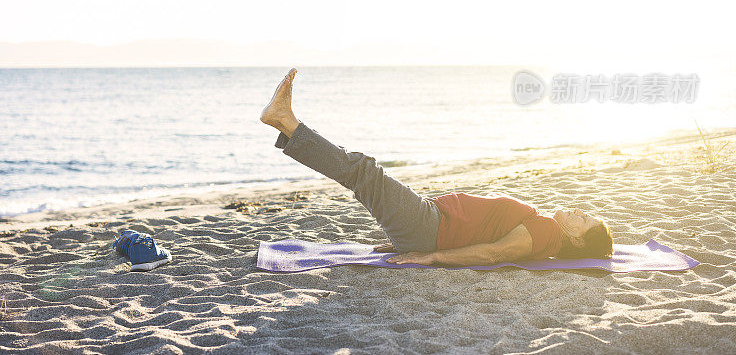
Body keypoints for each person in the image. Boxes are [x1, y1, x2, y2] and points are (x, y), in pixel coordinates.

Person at [260, 68, 614, 267]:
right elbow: (486, 236)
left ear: (577, 239)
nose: (579, 212)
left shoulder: (548, 233)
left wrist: (431, 255)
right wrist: (406, 242)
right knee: (362, 174)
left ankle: (287, 123)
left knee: (363, 171)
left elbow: (495, 253)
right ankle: (286, 126)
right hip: (426, 221)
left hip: (428, 228)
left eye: (584, 220)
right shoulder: (547, 228)